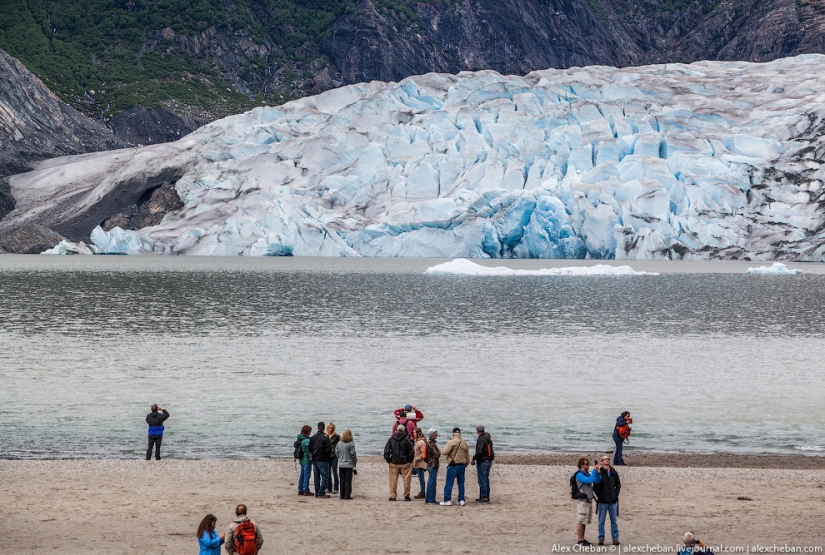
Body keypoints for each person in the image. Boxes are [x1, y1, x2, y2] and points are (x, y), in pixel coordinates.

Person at [592, 455, 621, 545]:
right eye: (605, 459)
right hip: (602, 501)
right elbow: (595, 487)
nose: (607, 460)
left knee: (614, 521)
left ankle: (615, 538)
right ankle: (601, 538)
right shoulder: (599, 473)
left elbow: (618, 484)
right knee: (601, 521)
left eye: (608, 459)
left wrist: (615, 494)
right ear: (601, 462)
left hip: (612, 501)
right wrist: (600, 496)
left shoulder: (613, 472)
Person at [574, 457, 602, 546]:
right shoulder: (579, 475)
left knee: (584, 520)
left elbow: (596, 481)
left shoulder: (586, 474)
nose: (588, 466)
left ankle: (582, 539)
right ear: (581, 465)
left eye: (588, 464)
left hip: (587, 500)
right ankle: (580, 540)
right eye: (586, 464)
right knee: (581, 520)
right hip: (582, 500)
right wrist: (594, 471)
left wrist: (598, 473)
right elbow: (589, 480)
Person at [440, 427, 470, 506]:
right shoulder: (464, 443)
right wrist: (465, 464)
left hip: (453, 465)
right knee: (461, 484)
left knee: (449, 483)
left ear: (453, 433)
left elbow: (445, 452)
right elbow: (468, 456)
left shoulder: (451, 442)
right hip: (462, 465)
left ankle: (447, 500)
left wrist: (439, 451)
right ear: (460, 434)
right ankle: (461, 500)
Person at [383, 424, 414, 501]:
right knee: (407, 479)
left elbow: (386, 451)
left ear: (396, 430)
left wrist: (388, 460)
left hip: (394, 462)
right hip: (405, 462)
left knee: (393, 480)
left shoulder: (391, 439)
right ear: (404, 431)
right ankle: (406, 495)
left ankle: (393, 495)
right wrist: (409, 460)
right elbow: (411, 451)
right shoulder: (407, 440)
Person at [472, 425, 495, 504]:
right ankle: (485, 496)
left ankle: (484, 497)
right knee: (486, 479)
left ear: (477, 431)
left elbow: (479, 451)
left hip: (483, 462)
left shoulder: (481, 439)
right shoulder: (488, 439)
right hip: (488, 461)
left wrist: (474, 458)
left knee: (482, 480)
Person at [309, 421, 331, 498]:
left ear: (318, 428)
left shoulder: (313, 437)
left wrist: (314, 453)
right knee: (325, 476)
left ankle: (317, 491)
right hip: (322, 459)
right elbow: (328, 450)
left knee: (316, 476)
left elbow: (309, 448)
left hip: (315, 459)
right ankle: (321, 492)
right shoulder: (325, 438)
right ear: (324, 428)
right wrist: (327, 459)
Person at [336, 428, 357, 500]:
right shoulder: (351, 444)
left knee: (342, 480)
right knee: (348, 480)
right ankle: (347, 495)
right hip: (349, 464)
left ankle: (342, 495)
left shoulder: (339, 443)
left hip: (341, 464)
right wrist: (354, 462)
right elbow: (353, 454)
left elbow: (337, 452)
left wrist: (340, 457)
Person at [425, 427, 441, 504]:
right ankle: (431, 499)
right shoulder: (432, 444)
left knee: (430, 482)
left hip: (429, 464)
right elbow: (437, 454)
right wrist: (439, 452)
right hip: (433, 464)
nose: (437, 435)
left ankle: (428, 499)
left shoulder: (428, 443)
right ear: (433, 435)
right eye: (436, 434)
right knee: (432, 482)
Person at [296, 425, 312, 496]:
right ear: (308, 432)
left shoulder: (300, 439)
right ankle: (306, 490)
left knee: (302, 475)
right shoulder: (307, 440)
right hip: (306, 460)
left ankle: (300, 489)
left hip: (301, 459)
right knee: (307, 475)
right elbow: (309, 451)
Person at [412, 427, 428, 499]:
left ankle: (422, 492)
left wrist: (416, 459)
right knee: (420, 477)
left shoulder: (421, 442)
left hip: (421, 463)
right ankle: (422, 491)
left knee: (421, 478)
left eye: (414, 433)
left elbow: (423, 453)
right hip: (418, 462)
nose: (413, 434)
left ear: (418, 433)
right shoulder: (417, 441)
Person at [327, 422, 341, 495]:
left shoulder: (336, 436)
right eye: (330, 428)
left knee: (335, 472)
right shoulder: (325, 436)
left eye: (332, 428)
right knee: (328, 473)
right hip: (327, 457)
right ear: (327, 428)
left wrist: (338, 454)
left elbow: (340, 445)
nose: (331, 429)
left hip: (334, 456)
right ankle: (328, 487)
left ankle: (336, 488)